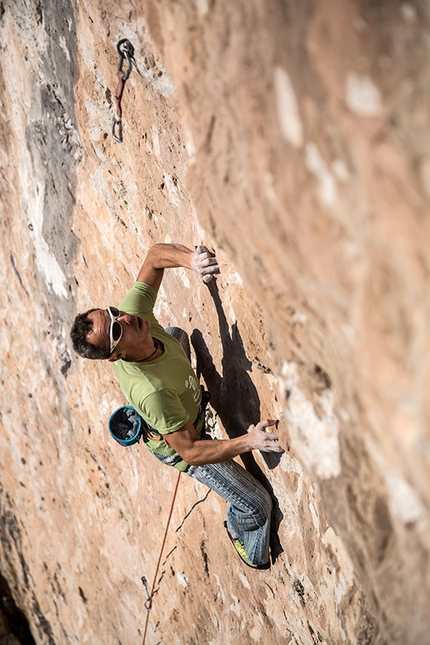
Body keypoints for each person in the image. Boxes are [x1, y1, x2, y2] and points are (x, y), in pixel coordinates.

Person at [70, 243, 283, 568]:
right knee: (256, 504)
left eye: (113, 312)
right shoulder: (152, 391)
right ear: (116, 355)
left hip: (172, 400)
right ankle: (246, 543)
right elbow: (192, 451)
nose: (125, 318)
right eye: (116, 329)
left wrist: (192, 262)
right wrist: (248, 442)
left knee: (174, 334)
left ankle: (181, 401)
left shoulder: (134, 317)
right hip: (184, 442)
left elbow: (155, 256)